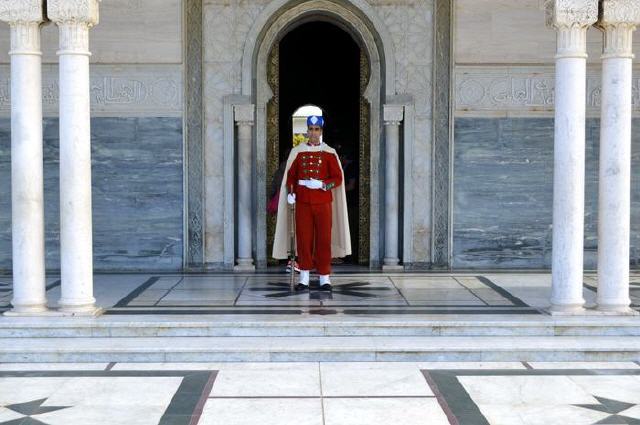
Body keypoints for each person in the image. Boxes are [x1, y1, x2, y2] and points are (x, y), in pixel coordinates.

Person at [272, 115, 351, 291]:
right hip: (303, 203)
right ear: (307, 131)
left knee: (323, 240)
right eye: (311, 129)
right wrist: (291, 193)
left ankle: (324, 277)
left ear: (321, 131)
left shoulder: (329, 152)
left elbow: (338, 178)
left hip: (323, 202)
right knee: (304, 240)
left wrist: (323, 184)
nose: (313, 133)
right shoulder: (298, 152)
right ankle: (304, 277)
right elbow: (291, 176)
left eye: (317, 130)